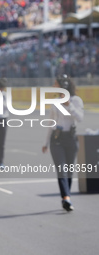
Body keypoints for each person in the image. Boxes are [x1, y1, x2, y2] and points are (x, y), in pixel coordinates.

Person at [42, 74, 84, 212]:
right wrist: (46, 142)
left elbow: (80, 118)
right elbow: (51, 122)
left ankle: (67, 196)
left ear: (63, 86)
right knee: (62, 170)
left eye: (56, 84)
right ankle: (66, 198)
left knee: (70, 171)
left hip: (71, 138)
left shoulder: (76, 100)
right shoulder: (54, 102)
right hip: (57, 139)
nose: (54, 86)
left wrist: (69, 105)